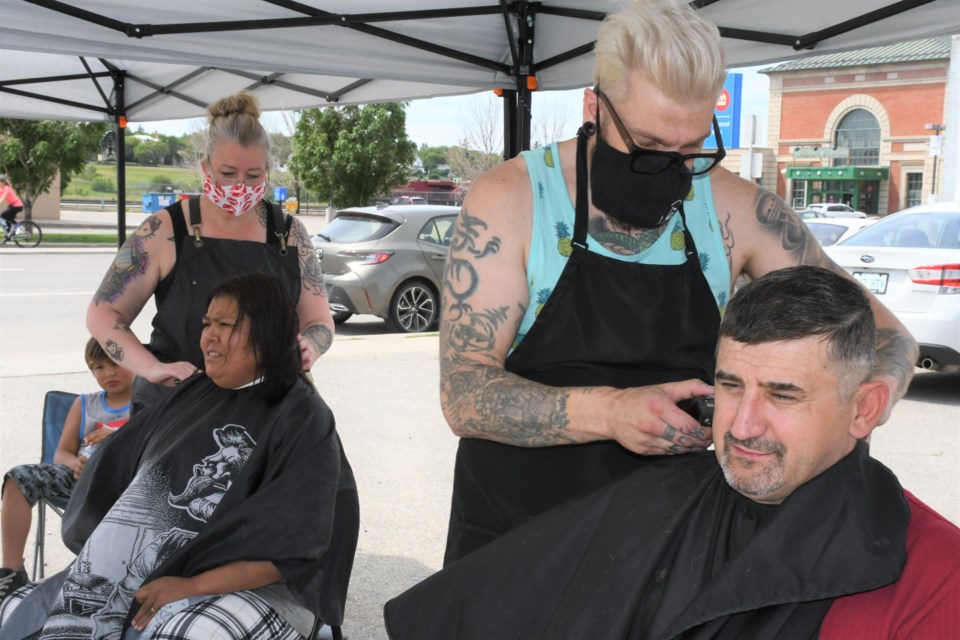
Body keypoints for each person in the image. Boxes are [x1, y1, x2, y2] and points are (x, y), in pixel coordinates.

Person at [438, 0, 919, 564]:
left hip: (670, 546)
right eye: (648, 146)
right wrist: (613, 413)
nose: (673, 168)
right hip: (515, 539)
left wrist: (853, 410)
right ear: (594, 107)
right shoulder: (512, 201)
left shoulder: (736, 211)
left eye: (691, 148)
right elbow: (463, 396)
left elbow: (889, 337)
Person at [386, 266, 960, 639]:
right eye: (731, 386)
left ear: (865, 408)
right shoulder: (656, 501)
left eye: (784, 394)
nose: (743, 424)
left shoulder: (933, 574)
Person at [1, 273, 359, 640]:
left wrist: (193, 585)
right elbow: (127, 458)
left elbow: (296, 545)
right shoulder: (195, 393)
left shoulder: (303, 418)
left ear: (266, 333)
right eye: (207, 324)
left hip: (263, 589)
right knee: (19, 614)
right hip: (162, 570)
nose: (209, 336)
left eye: (225, 325)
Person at [86, 91, 334, 413]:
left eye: (254, 176)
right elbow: (103, 314)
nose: (240, 187)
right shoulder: (165, 229)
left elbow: (319, 321)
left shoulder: (290, 233)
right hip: (176, 410)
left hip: (266, 412)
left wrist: (310, 347)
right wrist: (150, 368)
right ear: (205, 167)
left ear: (268, 171)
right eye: (228, 174)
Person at [0, 337, 133, 600]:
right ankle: (11, 573)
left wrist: (116, 434)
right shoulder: (84, 403)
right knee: (17, 478)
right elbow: (61, 453)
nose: (108, 373)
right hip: (78, 478)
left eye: (115, 364)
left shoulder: (147, 403)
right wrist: (76, 464)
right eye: (99, 367)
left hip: (123, 483)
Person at [0, 175, 24, 244]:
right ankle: (9, 236)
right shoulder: (1, 189)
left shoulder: (6, 189)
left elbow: (3, 198)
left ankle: (18, 226)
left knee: (3, 215)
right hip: (12, 206)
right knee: (7, 219)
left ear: (3, 182)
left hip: (17, 206)